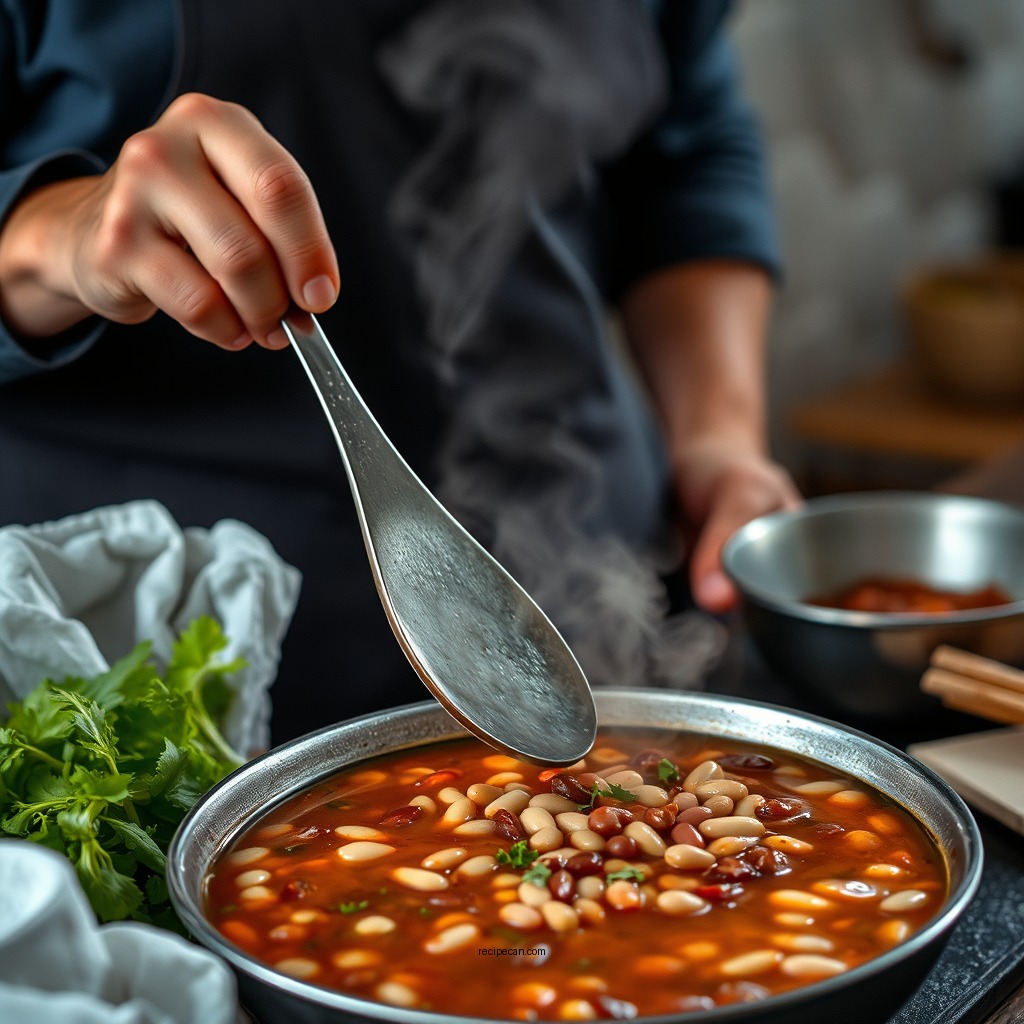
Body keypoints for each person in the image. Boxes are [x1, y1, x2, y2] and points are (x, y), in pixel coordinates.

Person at [0, 0, 800, 744]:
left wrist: (718, 437)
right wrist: (54, 235)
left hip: (616, 602)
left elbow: (686, 147)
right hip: (171, 686)